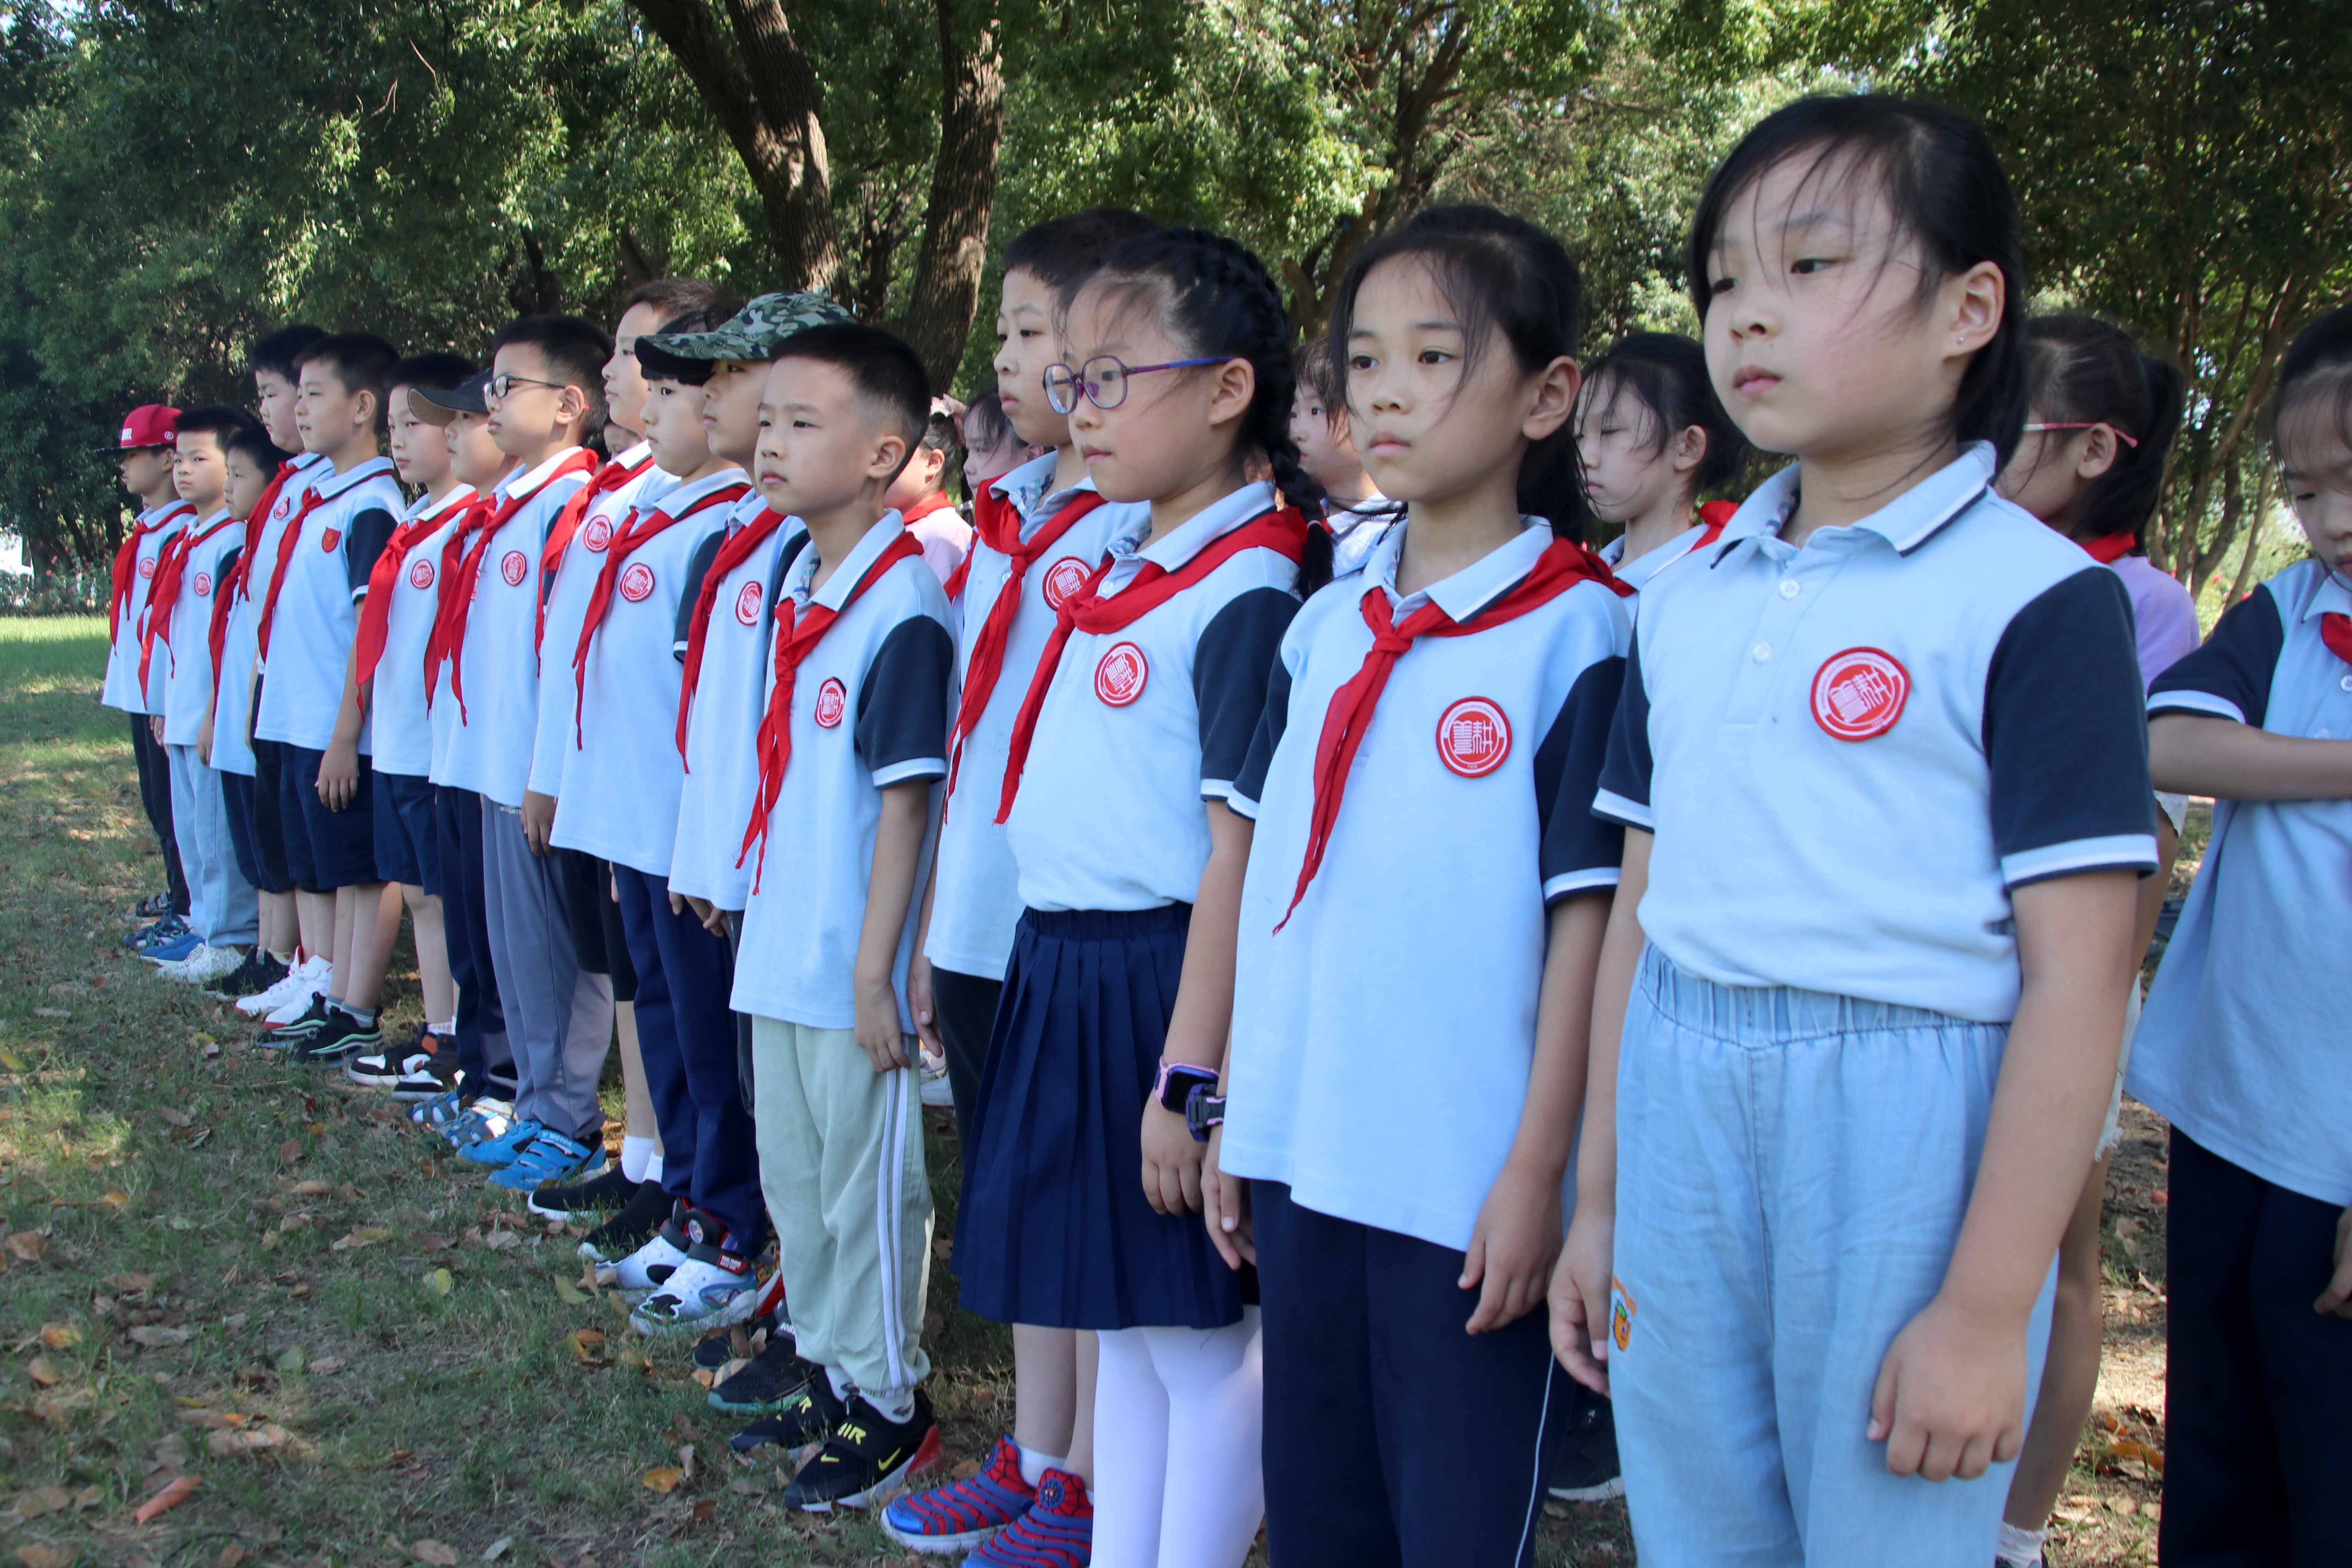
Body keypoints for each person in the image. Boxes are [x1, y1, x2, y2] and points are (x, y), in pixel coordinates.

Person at [1550, 96, 2156, 1565]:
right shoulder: (1681, 599)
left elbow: (2082, 971)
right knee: (1697, 1521)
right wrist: (1599, 1198)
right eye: (1723, 283)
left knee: (1887, 1533)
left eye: (1808, 266)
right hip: (1681, 1089)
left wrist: (1982, 1303)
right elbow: (1641, 901)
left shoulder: (2034, 599)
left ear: (1968, 307)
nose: (1747, 315)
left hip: (1904, 1114)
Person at [1202, 205, 1628, 1568]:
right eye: (1365, 358)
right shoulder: (1330, 622)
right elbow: (1273, 887)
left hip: (1462, 1186)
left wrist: (1538, 1174)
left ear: (1547, 395)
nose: (1384, 392)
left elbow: (1589, 930)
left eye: (1434, 359)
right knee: (1323, 1515)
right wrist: (1237, 1113)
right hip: (1309, 1156)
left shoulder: (1582, 637)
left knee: (1449, 1525)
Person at [965, 226, 1316, 1568]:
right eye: (1076, 376)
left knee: (1200, 1336)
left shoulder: (1249, 587)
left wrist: (1190, 1076)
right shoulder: (1125, 554)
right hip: (1067, 958)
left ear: (1228, 391)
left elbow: (1237, 852)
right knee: (1130, 1327)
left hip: (1162, 979)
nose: (1077, 405)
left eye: (1113, 378)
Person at [887, 205, 1156, 1567]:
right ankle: (1041, 1453)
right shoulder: (1024, 511)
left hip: (1074, 920)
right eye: (1005, 332)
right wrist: (941, 920)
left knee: (1089, 1225)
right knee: (1026, 1197)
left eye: (1038, 333)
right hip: (991, 906)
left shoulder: (1135, 530)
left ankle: (1095, 1479)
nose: (1011, 358)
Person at [2127, 302, 2352, 1565]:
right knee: (2218, 1451)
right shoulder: (2286, 609)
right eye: (2304, 491)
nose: (2327, 524)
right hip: (2230, 1110)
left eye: (2347, 485)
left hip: (2338, 1150)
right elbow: (2167, 739)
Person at [723, 321, 956, 1509]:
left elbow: (907, 807)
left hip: (844, 966)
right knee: (795, 1182)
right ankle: (823, 1364)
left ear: (882, 454)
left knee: (868, 1192)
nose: (768, 442)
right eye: (765, 419)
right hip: (783, 941)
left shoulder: (901, 605)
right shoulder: (801, 582)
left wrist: (879, 972)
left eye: (799, 423)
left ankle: (889, 1401)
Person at [586, 292, 851, 1310]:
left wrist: (723, 856)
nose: (701, 401)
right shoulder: (737, 540)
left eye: (716, 380)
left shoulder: (789, 540)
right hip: (704, 851)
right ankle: (709, 1211)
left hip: (764, 873)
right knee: (698, 1037)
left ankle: (740, 1232)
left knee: (764, 1081)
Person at [1989, 313, 2192, 1568]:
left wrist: (2086, 1021)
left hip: (2062, 982)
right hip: (1950, 980)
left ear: (2087, 451)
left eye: (2004, 423)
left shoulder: (2141, 605)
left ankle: (2011, 1532)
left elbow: (2147, 843)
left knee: (2055, 1259)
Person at [548, 298, 755, 1288]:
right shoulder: (659, 509)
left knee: (707, 1032)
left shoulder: (733, 525)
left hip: (692, 831)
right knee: (665, 1011)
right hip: (637, 816)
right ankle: (685, 1189)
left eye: (679, 392)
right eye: (661, 388)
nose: (665, 410)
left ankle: (725, 1213)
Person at [430, 316, 610, 1177]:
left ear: (570, 406)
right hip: (494, 763)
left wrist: (548, 774)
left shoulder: (578, 507)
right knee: (512, 950)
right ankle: (535, 1103)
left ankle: (567, 1115)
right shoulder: (515, 502)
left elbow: (565, 656)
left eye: (508, 386)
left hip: (540, 773)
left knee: (555, 957)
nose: (490, 403)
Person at [249, 332, 407, 1067]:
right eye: (299, 393)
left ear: (362, 406)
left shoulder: (370, 507)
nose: (301, 408)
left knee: (359, 869)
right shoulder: (324, 496)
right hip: (302, 719)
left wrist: (346, 734)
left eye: (316, 394)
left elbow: (367, 634)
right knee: (332, 869)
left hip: (338, 726)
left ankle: (355, 1005)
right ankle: (332, 992)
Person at [337, 354, 479, 1102]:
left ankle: (456, 1032)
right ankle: (437, 1024)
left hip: (433, 746)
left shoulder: (465, 523)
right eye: (392, 425)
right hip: (394, 739)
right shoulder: (417, 521)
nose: (399, 440)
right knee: (417, 889)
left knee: (439, 894)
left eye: (414, 424)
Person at [409, 372, 522, 1135]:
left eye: (468, 416)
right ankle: (479, 1074)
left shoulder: (559, 513)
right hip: (458, 752)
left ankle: (510, 1086)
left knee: (506, 942)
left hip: (502, 764)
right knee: (470, 935)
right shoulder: (485, 520)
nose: (452, 431)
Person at [228, 325, 336, 1021]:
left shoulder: (341, 492)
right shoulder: (295, 485)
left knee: (328, 853)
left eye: (283, 394)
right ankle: (304, 965)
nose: (278, 413)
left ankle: (325, 972)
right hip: (280, 688)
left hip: (321, 703)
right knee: (289, 839)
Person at [145, 407, 263, 986]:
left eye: (200, 459)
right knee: (192, 829)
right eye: (179, 458)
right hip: (184, 707)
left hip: (213, 713)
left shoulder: (231, 542)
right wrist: (165, 704)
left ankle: (230, 936)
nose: (184, 470)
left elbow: (228, 645)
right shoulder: (190, 538)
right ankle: (203, 926)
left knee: (217, 836)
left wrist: (214, 710)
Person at [203, 419, 301, 1001]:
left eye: (239, 476)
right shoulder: (245, 548)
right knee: (258, 842)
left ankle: (284, 957)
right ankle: (267, 951)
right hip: (251, 707)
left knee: (280, 846)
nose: (229, 487)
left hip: (281, 709)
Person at [101, 403, 194, 954]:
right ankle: (177, 895)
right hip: (142, 688)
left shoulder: (180, 531)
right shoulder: (148, 529)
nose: (125, 466)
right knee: (157, 802)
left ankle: (187, 907)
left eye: (133, 454)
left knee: (174, 802)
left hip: (165, 690)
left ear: (167, 458)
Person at [1577, 331, 1750, 592]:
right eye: (1579, 435)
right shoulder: (1581, 584)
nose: (1585, 457)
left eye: (1609, 431)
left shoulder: (1723, 586)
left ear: (1688, 447)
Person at [1289, 336, 1388, 575]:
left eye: (1315, 411)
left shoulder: (1390, 534)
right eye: (1293, 413)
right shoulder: (1301, 522)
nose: (1296, 432)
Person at [884, 401, 976, 586]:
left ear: (933, 462)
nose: (879, 464)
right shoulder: (890, 529)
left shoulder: (945, 535)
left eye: (893, 452)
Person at [956, 384, 1045, 500]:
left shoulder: (1043, 516)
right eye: (969, 451)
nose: (967, 467)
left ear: (1031, 456)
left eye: (980, 449)